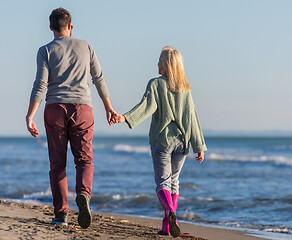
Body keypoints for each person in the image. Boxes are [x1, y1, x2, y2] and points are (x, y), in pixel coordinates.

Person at [25, 8, 118, 228]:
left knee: (57, 164)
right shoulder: (86, 46)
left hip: (55, 109)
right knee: (84, 159)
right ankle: (84, 195)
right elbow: (99, 78)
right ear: (70, 26)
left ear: (51, 28)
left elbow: (40, 84)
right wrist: (109, 108)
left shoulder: (45, 50)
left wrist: (30, 115)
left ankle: (61, 215)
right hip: (82, 108)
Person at [115, 46, 207, 237]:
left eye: (159, 60)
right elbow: (193, 117)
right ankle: (168, 226)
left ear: (166, 64)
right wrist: (199, 146)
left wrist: (125, 118)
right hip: (183, 141)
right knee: (174, 182)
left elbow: (146, 107)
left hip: (163, 140)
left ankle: (171, 214)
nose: (157, 63)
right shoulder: (185, 88)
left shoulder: (156, 84)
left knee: (162, 183)